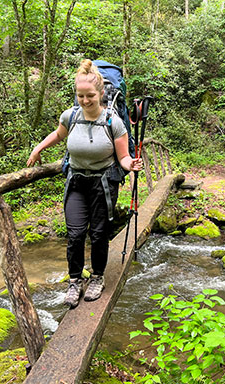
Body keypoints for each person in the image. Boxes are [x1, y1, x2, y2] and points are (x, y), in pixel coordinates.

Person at [27, 59, 142, 307]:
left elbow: (122, 156)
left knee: (99, 234)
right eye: (80, 95)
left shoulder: (114, 122)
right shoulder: (71, 116)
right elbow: (58, 135)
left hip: (103, 184)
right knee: (76, 234)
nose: (85, 100)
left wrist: (130, 164)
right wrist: (38, 148)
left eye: (90, 95)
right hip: (77, 182)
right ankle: (75, 280)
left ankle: (98, 277)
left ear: (101, 94)